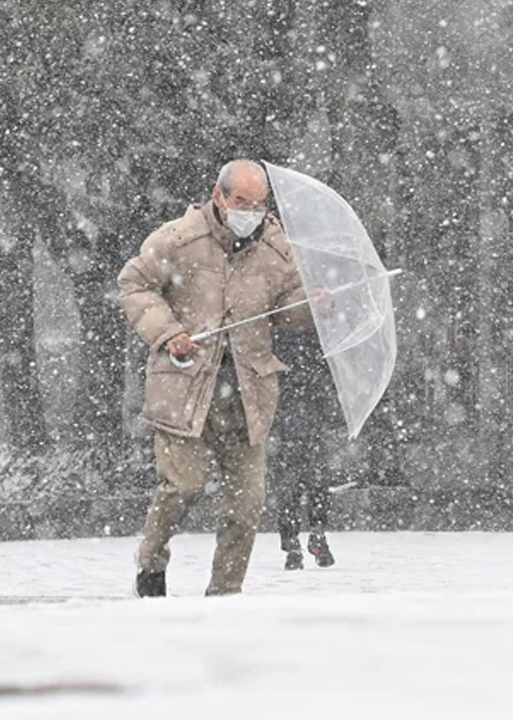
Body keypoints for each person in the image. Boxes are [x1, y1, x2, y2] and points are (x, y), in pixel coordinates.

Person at [118, 159, 317, 597]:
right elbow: (134, 284)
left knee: (247, 504)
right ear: (219, 196)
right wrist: (170, 333)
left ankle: (225, 595)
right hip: (184, 386)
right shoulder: (178, 239)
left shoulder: (277, 249)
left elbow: (286, 309)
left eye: (259, 203)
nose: (251, 211)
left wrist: (316, 303)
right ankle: (151, 560)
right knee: (182, 487)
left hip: (247, 392)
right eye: (241, 201)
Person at [270, 328, 341, 570]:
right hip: (295, 408)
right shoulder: (299, 328)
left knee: (308, 480)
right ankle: (301, 540)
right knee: (299, 481)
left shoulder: (318, 331)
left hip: (304, 408)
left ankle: (303, 539)